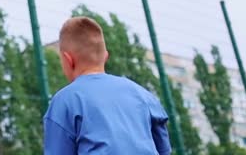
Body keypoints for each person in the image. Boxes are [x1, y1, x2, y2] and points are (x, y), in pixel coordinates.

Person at [43, 16, 172, 154]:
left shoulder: (64, 101)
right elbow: (164, 150)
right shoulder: (144, 96)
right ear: (105, 57)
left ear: (68, 60)